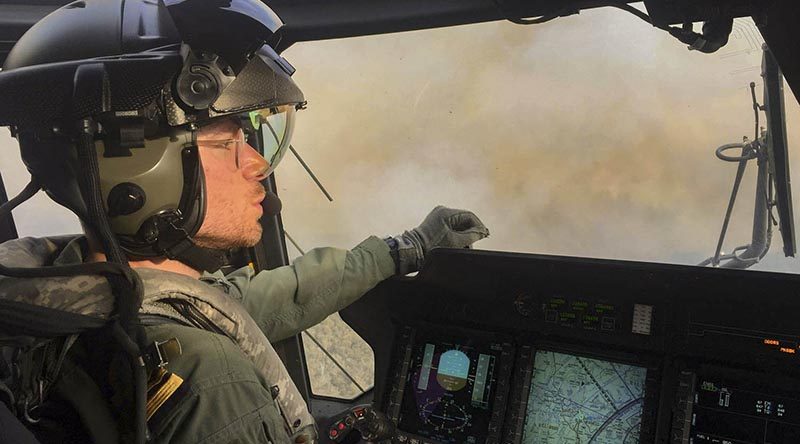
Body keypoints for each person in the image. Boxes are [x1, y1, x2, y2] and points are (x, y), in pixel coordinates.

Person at [0, 1, 489, 443]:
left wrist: (408, 246)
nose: (256, 165)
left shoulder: (61, 288)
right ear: (141, 168)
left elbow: (257, 299)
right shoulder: (209, 379)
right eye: (230, 143)